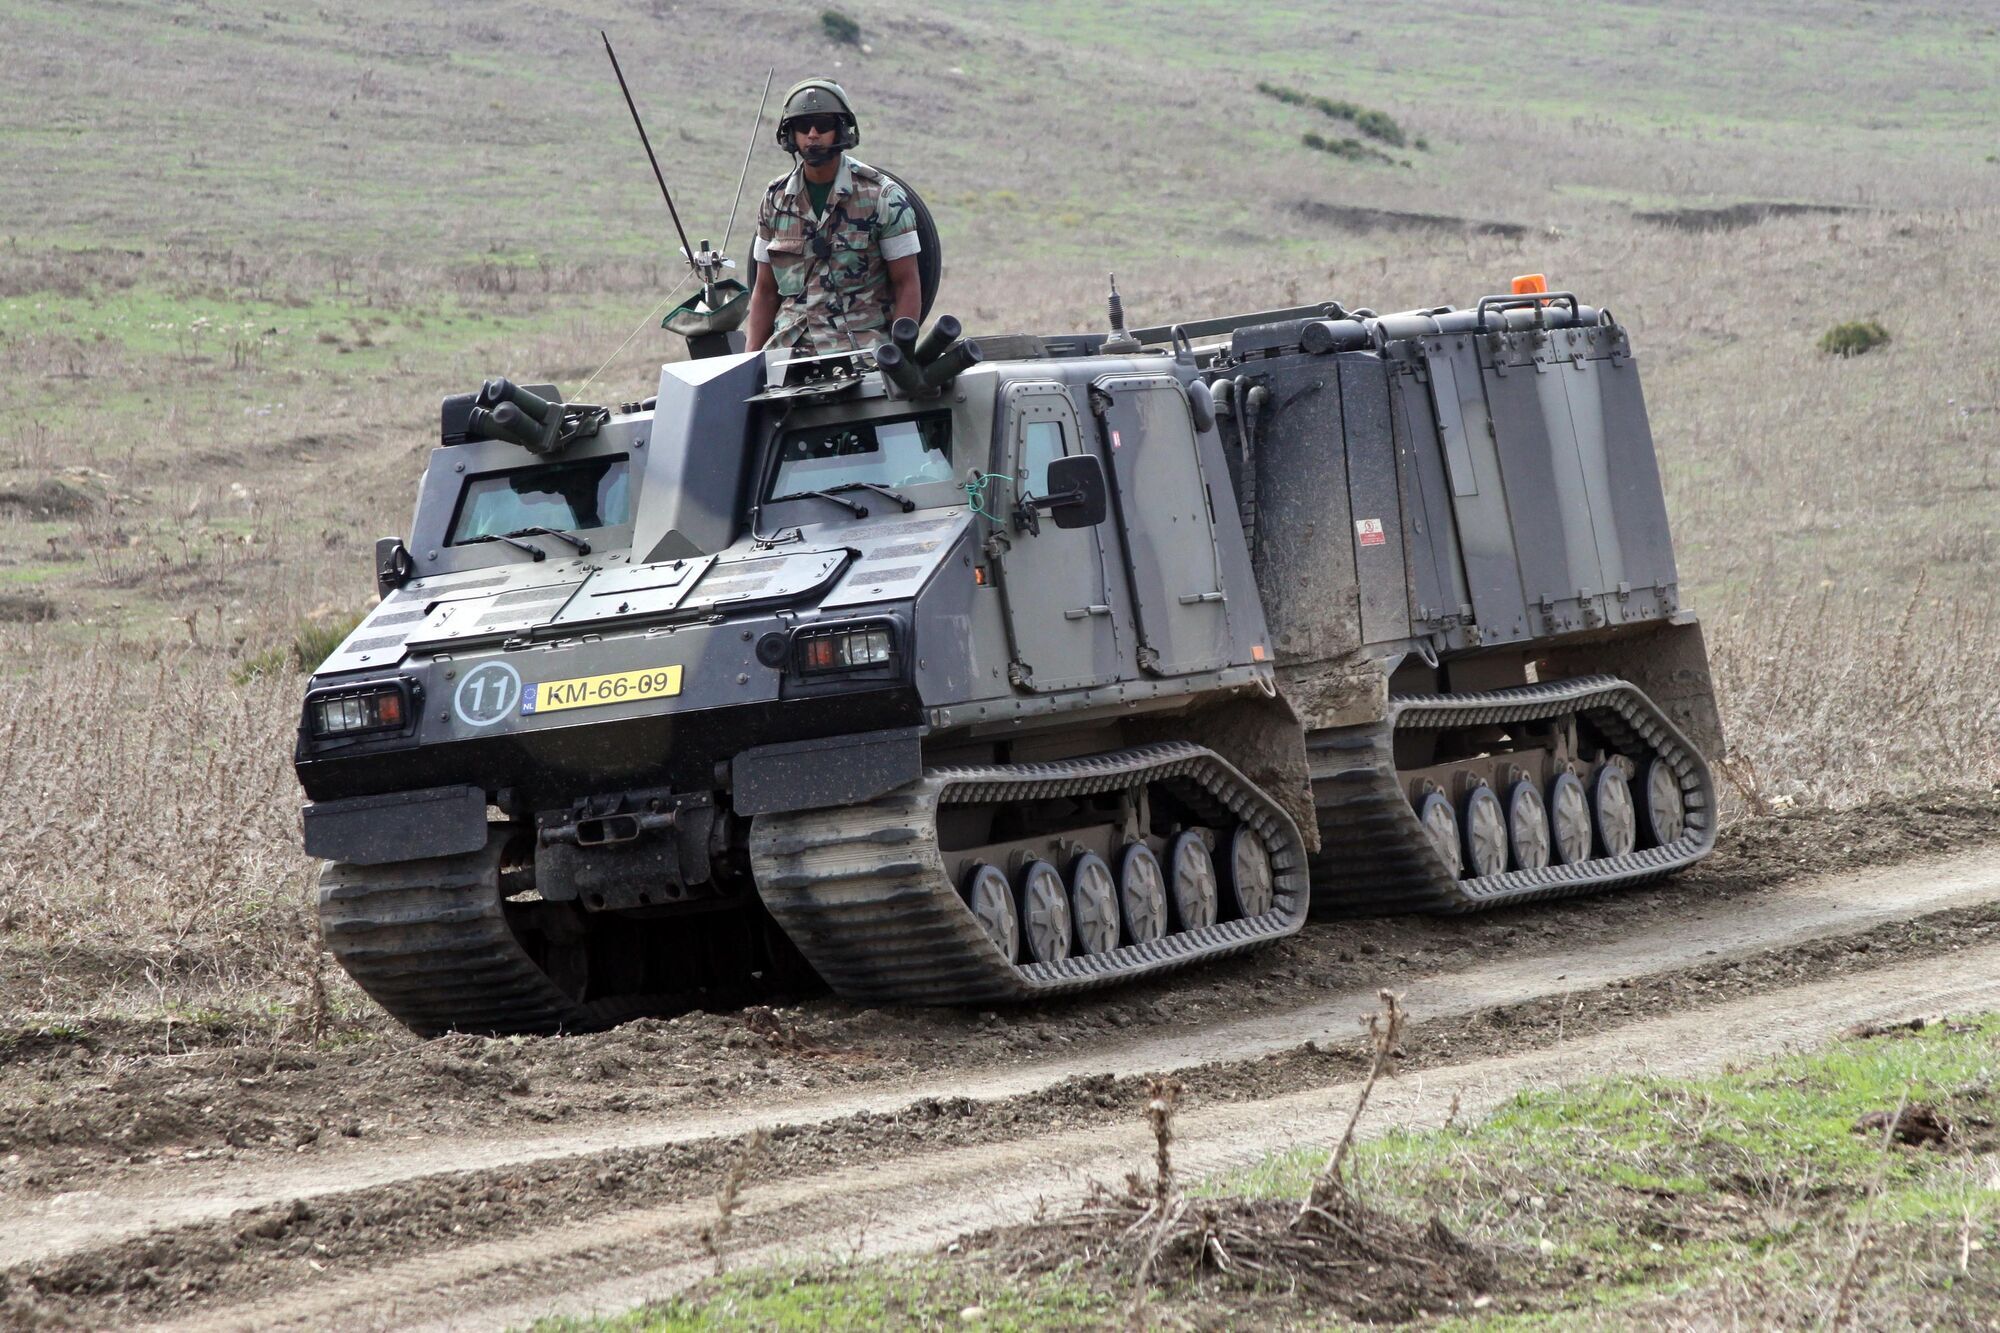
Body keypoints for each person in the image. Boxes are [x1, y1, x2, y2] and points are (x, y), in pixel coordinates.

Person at [744, 79, 922, 355]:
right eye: (803, 126)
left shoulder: (882, 197)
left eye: (823, 124)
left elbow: (907, 283)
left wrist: (900, 359)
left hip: (862, 352)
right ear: (791, 135)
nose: (812, 135)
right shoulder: (775, 200)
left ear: (840, 129)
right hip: (787, 352)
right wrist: (750, 363)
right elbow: (765, 291)